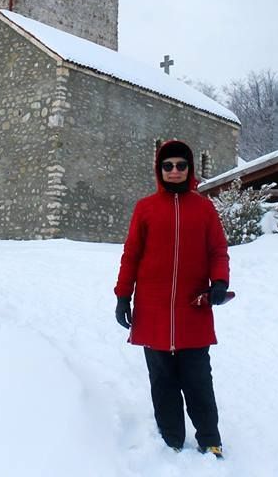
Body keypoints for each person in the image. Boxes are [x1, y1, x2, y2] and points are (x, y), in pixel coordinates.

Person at [113, 139, 230, 458]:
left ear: (189, 169)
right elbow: (131, 255)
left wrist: (220, 281)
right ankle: (172, 439)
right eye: (168, 166)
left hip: (193, 308)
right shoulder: (145, 208)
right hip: (153, 310)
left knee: (198, 380)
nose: (175, 171)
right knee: (162, 380)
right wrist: (123, 296)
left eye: (181, 165)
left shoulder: (204, 208)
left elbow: (217, 250)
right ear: (159, 169)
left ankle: (210, 439)